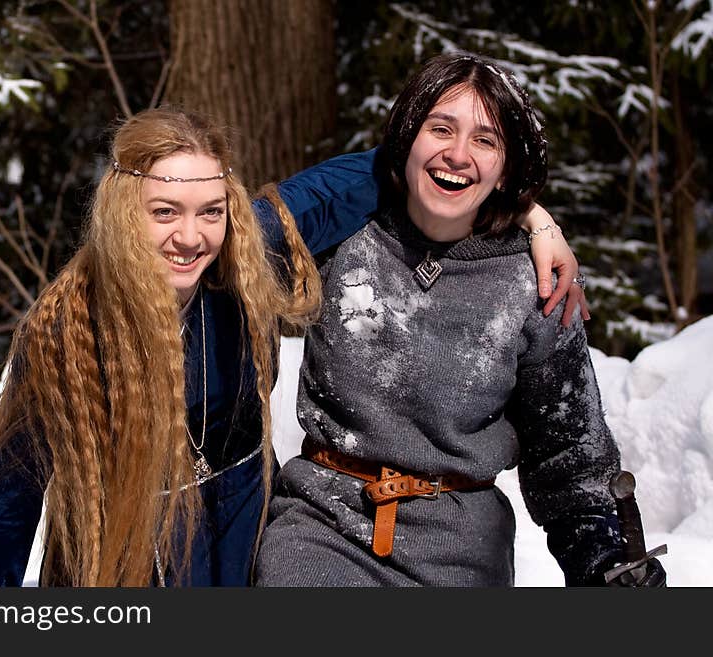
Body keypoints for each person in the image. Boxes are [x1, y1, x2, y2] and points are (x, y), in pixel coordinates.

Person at [0, 106, 584, 587]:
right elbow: (2, 508)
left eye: (210, 210)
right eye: (164, 211)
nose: (191, 236)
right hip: (125, 561)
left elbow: (407, 168)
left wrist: (532, 216)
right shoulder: (68, 333)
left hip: (245, 547)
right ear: (121, 211)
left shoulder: (244, 255)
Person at [254, 52, 663, 586]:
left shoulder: (535, 281)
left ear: (507, 168)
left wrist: (601, 557)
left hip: (465, 555)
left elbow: (569, 454)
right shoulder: (340, 239)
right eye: (439, 128)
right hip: (323, 531)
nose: (458, 154)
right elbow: (227, 247)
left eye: (485, 141)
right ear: (406, 138)